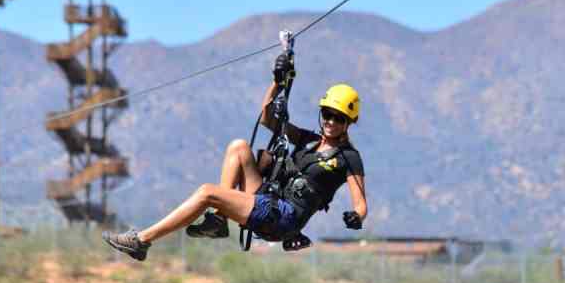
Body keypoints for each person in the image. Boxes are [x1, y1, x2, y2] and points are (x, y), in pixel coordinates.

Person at [102, 53, 367, 261]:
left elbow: (361, 204)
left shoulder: (348, 157)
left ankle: (142, 241)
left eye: (338, 118)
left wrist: (356, 217)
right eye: (327, 115)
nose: (331, 121)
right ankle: (218, 220)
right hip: (269, 198)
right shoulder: (309, 139)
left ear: (349, 122)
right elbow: (267, 119)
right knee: (239, 147)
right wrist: (277, 82)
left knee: (207, 192)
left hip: (284, 219)